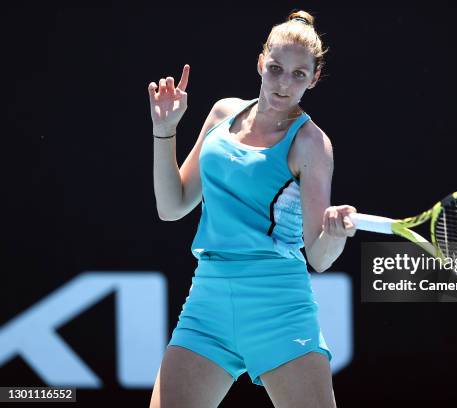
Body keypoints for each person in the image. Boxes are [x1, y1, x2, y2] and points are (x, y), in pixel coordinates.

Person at [148, 10, 355, 408]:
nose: (283, 84)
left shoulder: (312, 144)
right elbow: (172, 206)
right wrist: (164, 131)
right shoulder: (222, 114)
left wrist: (333, 233)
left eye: (298, 75)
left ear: (313, 79)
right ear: (261, 63)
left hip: (278, 306)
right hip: (207, 301)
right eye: (276, 68)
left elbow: (320, 256)